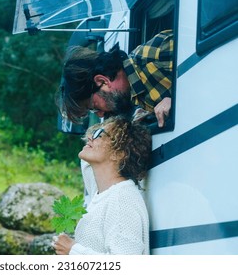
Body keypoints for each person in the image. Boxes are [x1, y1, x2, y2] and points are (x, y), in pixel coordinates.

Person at [52, 115, 152, 255]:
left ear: (119, 154)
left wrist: (73, 251)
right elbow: (86, 164)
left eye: (100, 134)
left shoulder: (122, 200)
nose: (91, 137)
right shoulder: (102, 193)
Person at [56, 29, 173, 128]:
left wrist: (178, 99)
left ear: (102, 81)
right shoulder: (135, 94)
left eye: (95, 107)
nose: (101, 115)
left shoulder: (157, 53)